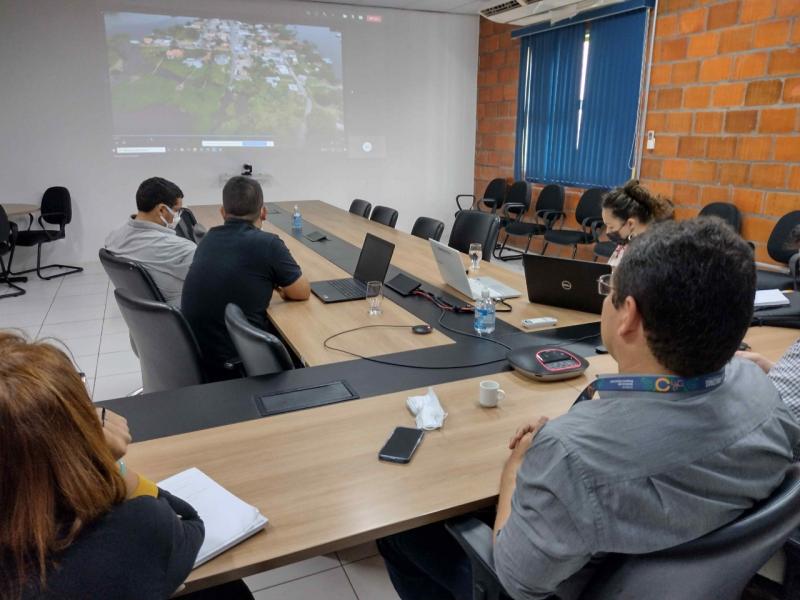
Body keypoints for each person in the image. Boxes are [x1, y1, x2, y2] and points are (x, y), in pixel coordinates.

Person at [377, 219, 800, 600]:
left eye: (608, 291)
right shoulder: (765, 395)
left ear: (628, 317)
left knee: (403, 535)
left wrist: (518, 465)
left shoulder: (569, 456)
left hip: (561, 583)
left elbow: (516, 581)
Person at [181, 176, 310, 381]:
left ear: (222, 213)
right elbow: (301, 292)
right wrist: (278, 284)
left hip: (203, 356)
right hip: (237, 364)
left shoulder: (208, 240)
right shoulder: (268, 244)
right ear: (264, 212)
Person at [105, 177, 196, 306]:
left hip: (147, 316)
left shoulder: (113, 237)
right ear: (162, 210)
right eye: (176, 210)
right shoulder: (183, 250)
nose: (178, 216)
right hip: (184, 314)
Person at [601, 179, 674, 267]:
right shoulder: (628, 241)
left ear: (631, 224)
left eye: (611, 227)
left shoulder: (651, 255)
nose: (607, 232)